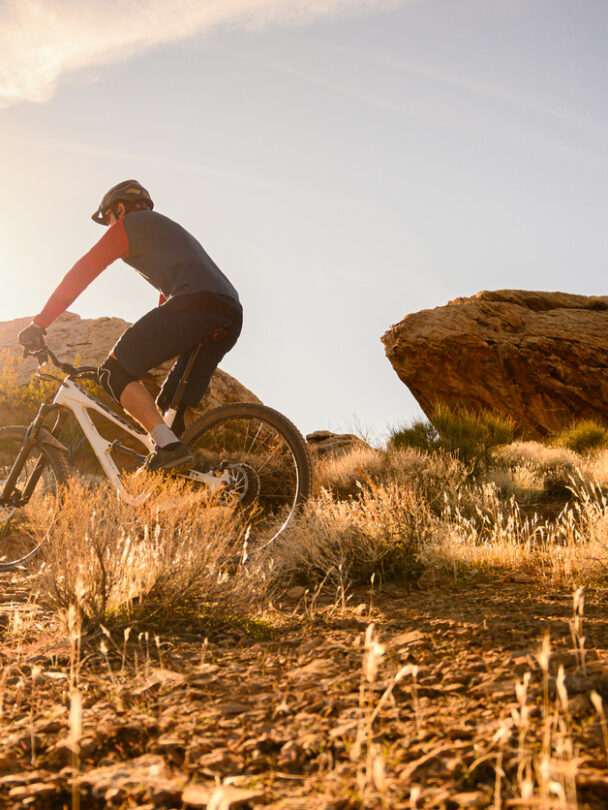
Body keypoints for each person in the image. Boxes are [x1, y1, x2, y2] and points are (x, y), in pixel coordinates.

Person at [18, 180, 243, 473]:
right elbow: (166, 299)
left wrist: (40, 323)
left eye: (109, 219)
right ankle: (189, 475)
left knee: (113, 372)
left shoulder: (130, 225)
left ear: (120, 209)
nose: (110, 226)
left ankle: (169, 448)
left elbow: (84, 271)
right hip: (228, 311)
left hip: (196, 303)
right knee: (170, 407)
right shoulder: (165, 230)